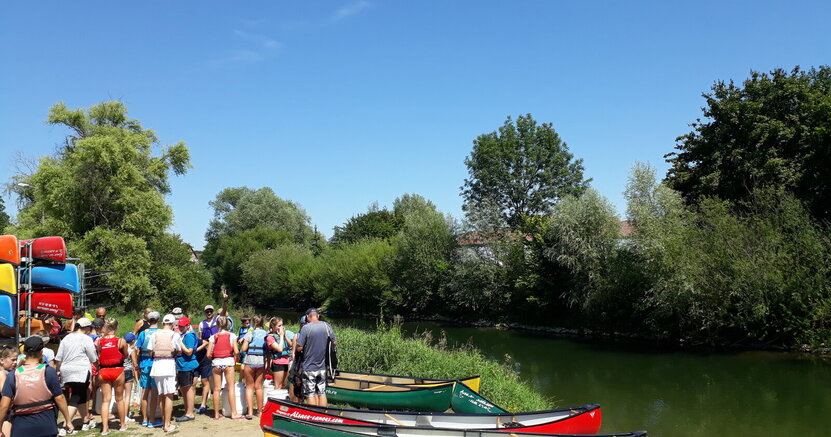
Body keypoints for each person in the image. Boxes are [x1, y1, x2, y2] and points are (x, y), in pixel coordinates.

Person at [0, 337, 74, 437]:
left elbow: (4, 405)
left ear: (24, 352)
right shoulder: (48, 371)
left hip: (21, 426)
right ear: (41, 352)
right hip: (46, 425)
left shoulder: (13, 374)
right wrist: (68, 420)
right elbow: (59, 398)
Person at [54, 317, 98, 431]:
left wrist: (58, 371)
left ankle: (85, 420)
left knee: (81, 396)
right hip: (80, 370)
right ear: (87, 328)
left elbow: (59, 357)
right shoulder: (86, 339)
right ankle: (66, 425)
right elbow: (93, 357)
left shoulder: (66, 338)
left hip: (66, 370)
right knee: (76, 397)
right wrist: (97, 366)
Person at [294, 308, 336, 407]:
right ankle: (322, 415)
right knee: (322, 392)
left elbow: (299, 348)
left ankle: (313, 416)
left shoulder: (306, 328)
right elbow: (334, 342)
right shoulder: (327, 326)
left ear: (308, 317)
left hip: (309, 367)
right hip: (322, 366)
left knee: (310, 393)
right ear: (318, 316)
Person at [197, 288, 228, 415]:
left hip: (217, 348)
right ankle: (209, 391)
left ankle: (218, 389)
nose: (209, 313)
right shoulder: (201, 323)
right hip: (206, 349)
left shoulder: (218, 320)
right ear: (205, 313)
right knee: (207, 373)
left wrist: (225, 301)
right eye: (207, 311)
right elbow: (200, 337)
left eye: (210, 311)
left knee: (217, 371)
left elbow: (224, 312)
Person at [147, 315, 181, 432]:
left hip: (157, 366)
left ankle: (164, 421)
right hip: (168, 365)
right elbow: (179, 349)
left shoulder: (154, 334)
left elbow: (149, 350)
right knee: (169, 395)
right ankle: (167, 424)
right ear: (173, 324)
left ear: (162, 323)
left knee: (161, 395)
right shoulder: (175, 335)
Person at [96, 319, 128, 435]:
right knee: (119, 399)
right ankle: (123, 425)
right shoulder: (121, 341)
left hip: (104, 370)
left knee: (105, 400)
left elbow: (100, 353)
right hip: (117, 370)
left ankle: (105, 428)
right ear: (116, 328)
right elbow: (125, 354)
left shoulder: (100, 341)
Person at [207, 316, 240, 420]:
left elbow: (208, 354)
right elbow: (236, 351)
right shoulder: (232, 335)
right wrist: (237, 356)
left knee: (216, 389)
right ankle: (234, 413)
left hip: (216, 362)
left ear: (217, 325)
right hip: (228, 362)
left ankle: (216, 414)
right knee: (231, 388)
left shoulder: (213, 337)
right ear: (228, 324)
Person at [132, 311, 160, 428]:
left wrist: (136, 363)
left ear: (148, 321)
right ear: (158, 320)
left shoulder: (143, 333)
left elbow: (135, 348)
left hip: (144, 363)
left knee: (145, 392)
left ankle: (144, 419)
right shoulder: (161, 332)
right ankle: (152, 420)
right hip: (157, 363)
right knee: (154, 392)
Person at [240, 316, 266, 419]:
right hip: (261, 362)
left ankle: (250, 412)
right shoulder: (266, 334)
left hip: (250, 361)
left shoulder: (250, 333)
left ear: (253, 324)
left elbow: (244, 348)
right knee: (259, 387)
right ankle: (259, 412)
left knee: (249, 387)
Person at [174, 317, 198, 423]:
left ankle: (189, 413)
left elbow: (189, 351)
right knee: (183, 389)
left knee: (188, 389)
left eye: (182, 326)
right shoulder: (183, 335)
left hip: (187, 366)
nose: (180, 328)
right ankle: (187, 410)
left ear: (188, 326)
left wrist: (180, 343)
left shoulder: (189, 336)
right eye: (179, 326)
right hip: (182, 365)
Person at [266, 317, 294, 390]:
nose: (281, 327)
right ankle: (276, 399)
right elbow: (280, 349)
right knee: (278, 386)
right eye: (279, 326)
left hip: (286, 361)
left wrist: (284, 335)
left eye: (282, 325)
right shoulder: (270, 337)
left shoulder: (282, 335)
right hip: (278, 363)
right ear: (273, 326)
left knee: (284, 385)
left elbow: (291, 344)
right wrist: (281, 336)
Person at [286, 315, 307, 403]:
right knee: (294, 381)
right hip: (297, 362)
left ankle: (300, 400)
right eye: (303, 324)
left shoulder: (308, 334)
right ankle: (293, 400)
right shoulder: (297, 335)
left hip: (305, 362)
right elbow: (294, 352)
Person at [0, 346, 19, 437]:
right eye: (13, 360)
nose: (15, 362)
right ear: (2, 360)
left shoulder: (8, 373)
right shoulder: (2, 374)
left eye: (16, 359)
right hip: (5, 414)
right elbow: (6, 395)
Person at [122, 332, 137, 423]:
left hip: (119, 371)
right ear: (132, 341)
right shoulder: (131, 350)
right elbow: (135, 364)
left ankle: (121, 413)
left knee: (120, 395)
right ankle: (125, 415)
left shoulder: (120, 347)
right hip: (128, 371)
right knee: (127, 395)